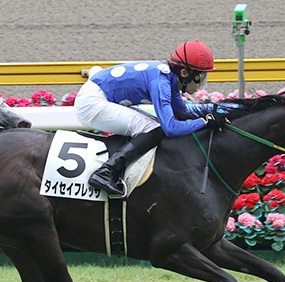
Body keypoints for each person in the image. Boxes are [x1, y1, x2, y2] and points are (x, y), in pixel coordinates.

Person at [74, 40, 227, 197]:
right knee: (153, 128)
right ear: (184, 73)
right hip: (91, 103)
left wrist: (219, 112)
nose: (200, 85)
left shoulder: (170, 79)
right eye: (200, 77)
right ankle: (106, 171)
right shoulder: (161, 82)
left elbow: (183, 112)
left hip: (100, 97)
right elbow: (171, 128)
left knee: (154, 126)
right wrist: (204, 122)